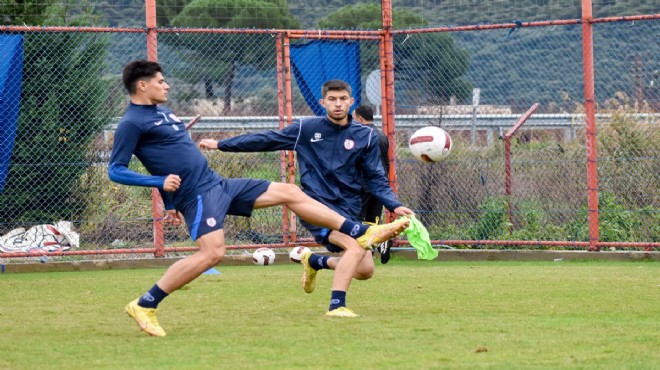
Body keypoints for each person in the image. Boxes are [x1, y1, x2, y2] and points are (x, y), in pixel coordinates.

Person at [108, 61, 410, 336]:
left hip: (217, 184)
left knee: (289, 191)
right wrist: (161, 185)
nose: (167, 85)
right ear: (142, 85)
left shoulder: (163, 113)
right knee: (212, 254)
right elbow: (116, 170)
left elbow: (164, 158)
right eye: (161, 81)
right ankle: (146, 303)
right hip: (197, 194)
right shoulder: (132, 122)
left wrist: (168, 202)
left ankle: (359, 232)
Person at [199, 80, 414, 318]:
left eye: (343, 99)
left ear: (351, 102)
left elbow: (376, 178)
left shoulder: (366, 136)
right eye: (332, 100)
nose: (338, 104)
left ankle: (315, 261)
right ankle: (336, 305)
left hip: (349, 208)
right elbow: (266, 139)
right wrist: (221, 144)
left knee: (364, 270)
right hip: (316, 206)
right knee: (353, 245)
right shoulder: (306, 129)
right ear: (322, 103)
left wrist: (395, 204)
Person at [353, 104, 393, 264]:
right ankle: (381, 240)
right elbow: (386, 162)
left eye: (354, 117)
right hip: (379, 185)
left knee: (354, 219)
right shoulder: (382, 135)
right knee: (371, 220)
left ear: (360, 118)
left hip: (363, 184)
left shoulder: (361, 135)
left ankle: (357, 255)